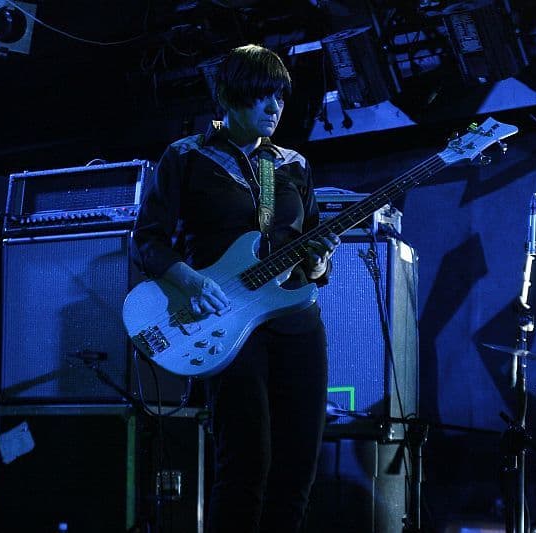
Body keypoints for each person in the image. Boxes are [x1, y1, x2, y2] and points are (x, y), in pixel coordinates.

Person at [130, 43, 340, 532]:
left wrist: (318, 263)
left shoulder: (293, 164)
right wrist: (190, 279)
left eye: (280, 98)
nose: (274, 108)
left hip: (296, 323)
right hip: (226, 322)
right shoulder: (186, 156)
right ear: (229, 97)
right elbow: (147, 240)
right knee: (245, 462)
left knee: (298, 467)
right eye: (263, 96)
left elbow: (313, 249)